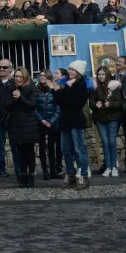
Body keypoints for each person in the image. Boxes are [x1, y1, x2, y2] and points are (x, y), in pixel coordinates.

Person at [50, 60, 90, 188]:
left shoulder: (80, 85)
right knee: (65, 150)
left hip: (76, 120)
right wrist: (56, 91)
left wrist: (59, 91)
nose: (71, 72)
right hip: (65, 120)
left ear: (79, 73)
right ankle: (70, 174)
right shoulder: (67, 85)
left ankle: (83, 176)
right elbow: (61, 102)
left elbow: (72, 103)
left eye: (74, 70)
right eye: (70, 69)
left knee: (79, 150)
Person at [4, 68, 39, 188]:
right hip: (16, 125)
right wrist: (14, 99)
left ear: (25, 77)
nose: (18, 79)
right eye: (16, 76)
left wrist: (20, 97)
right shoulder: (11, 89)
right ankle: (22, 176)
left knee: (29, 152)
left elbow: (32, 105)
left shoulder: (31, 88)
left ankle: (31, 177)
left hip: (28, 125)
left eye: (20, 76)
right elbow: (7, 104)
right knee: (20, 153)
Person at [89, 66, 121, 177]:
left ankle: (114, 167)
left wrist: (111, 104)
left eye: (103, 74)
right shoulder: (95, 88)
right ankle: (108, 167)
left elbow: (120, 103)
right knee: (105, 143)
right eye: (99, 74)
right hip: (100, 119)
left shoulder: (115, 86)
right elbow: (91, 103)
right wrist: (95, 105)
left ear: (107, 75)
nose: (101, 76)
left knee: (112, 143)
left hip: (112, 118)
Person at [35, 70, 62, 179]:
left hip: (52, 123)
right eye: (40, 75)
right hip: (40, 122)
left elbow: (58, 107)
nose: (41, 77)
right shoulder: (36, 90)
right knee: (42, 147)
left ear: (49, 77)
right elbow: (34, 107)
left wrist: (51, 121)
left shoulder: (54, 89)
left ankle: (53, 171)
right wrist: (41, 120)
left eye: (44, 76)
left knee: (52, 147)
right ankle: (45, 171)